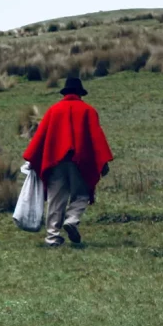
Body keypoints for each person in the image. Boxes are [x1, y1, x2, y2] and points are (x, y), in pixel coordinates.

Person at [23, 78, 114, 247]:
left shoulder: (53, 111)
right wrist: (103, 163)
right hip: (79, 161)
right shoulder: (88, 111)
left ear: (65, 93)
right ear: (80, 93)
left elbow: (40, 137)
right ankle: (72, 219)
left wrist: (32, 160)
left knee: (55, 199)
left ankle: (52, 238)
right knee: (82, 194)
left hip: (55, 161)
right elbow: (96, 138)